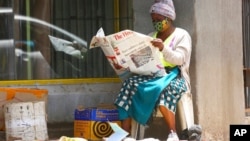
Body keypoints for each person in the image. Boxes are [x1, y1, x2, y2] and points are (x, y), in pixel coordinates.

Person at [114, 0, 192, 140]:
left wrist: (163, 48)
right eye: (153, 20)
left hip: (175, 76)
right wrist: (125, 63)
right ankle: (124, 134)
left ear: (168, 18)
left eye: (159, 19)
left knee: (167, 90)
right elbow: (141, 61)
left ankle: (172, 133)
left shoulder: (181, 35)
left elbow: (180, 59)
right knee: (129, 84)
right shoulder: (150, 36)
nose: (155, 22)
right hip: (153, 76)